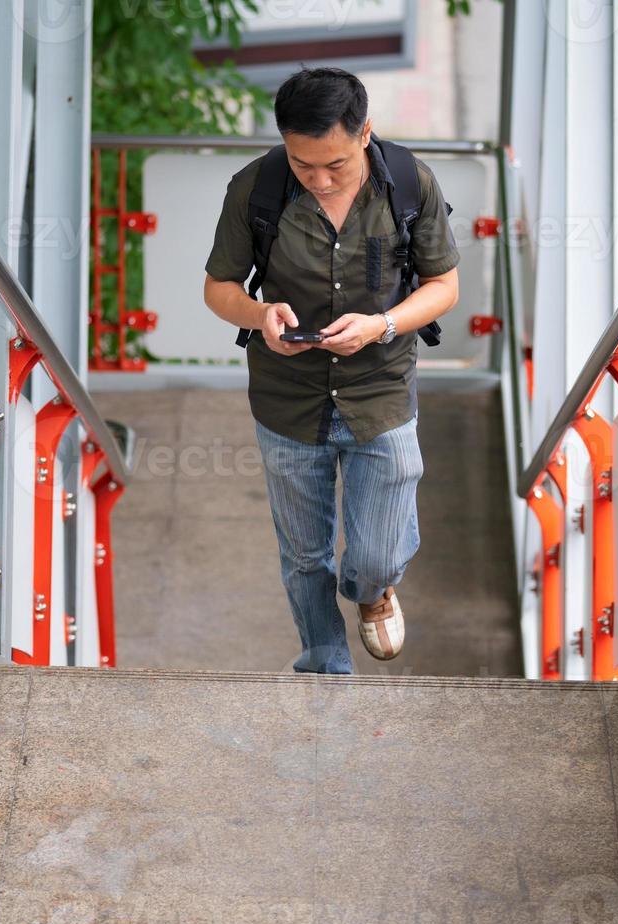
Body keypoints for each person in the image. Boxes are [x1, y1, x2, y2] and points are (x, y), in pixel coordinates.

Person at [202, 66, 461, 673]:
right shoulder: (255, 188)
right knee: (303, 553)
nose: (318, 180)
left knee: (373, 554)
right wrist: (261, 313)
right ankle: (324, 664)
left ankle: (373, 591)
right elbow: (219, 289)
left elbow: (443, 285)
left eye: (334, 166)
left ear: (365, 132)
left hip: (381, 390)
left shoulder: (408, 183)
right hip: (287, 395)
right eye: (302, 164)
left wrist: (383, 324)